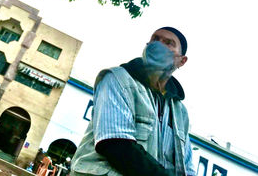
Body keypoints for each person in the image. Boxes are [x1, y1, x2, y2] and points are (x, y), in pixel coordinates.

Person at [70, 27, 196, 176]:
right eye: (155, 39)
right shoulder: (117, 79)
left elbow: (186, 168)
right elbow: (115, 145)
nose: (159, 45)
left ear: (182, 61)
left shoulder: (180, 113)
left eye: (169, 43)